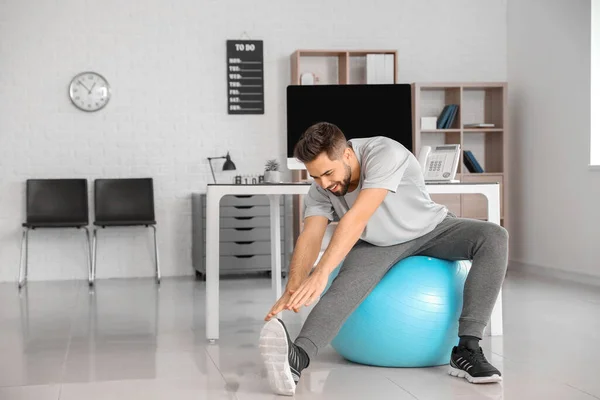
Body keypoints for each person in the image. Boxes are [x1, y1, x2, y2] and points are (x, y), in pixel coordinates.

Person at [259, 122, 508, 396]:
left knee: (494, 236)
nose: (324, 184)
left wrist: (319, 274)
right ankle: (297, 359)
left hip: (431, 229)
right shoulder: (322, 187)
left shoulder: (383, 151)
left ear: (347, 155)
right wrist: (293, 285)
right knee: (342, 289)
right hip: (377, 243)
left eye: (328, 173)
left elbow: (357, 217)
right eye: (316, 177)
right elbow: (310, 235)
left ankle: (467, 350)